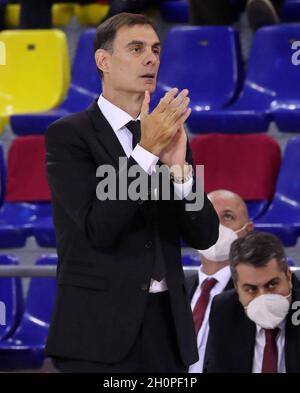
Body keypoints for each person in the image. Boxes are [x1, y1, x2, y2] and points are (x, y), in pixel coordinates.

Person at [45, 13, 219, 373]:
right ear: (103, 61)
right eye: (136, 49)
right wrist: (146, 153)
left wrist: (180, 171)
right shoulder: (68, 136)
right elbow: (100, 227)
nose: (151, 58)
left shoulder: (167, 135)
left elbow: (205, 235)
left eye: (155, 49)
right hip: (95, 334)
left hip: (167, 331)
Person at [205, 231, 300, 373]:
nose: (263, 297)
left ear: (288, 276)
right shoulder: (224, 310)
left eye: (272, 284)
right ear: (237, 287)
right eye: (251, 289)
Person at [187, 189, 253, 373]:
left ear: (248, 230)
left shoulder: (254, 292)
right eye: (209, 216)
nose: (216, 225)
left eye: (228, 217)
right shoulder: (176, 289)